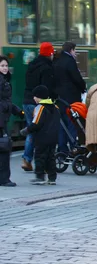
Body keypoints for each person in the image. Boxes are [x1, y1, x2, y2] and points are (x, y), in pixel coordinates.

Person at [22, 42, 56, 172]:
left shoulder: (32, 65)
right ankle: (34, 161)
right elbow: (46, 88)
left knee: (31, 129)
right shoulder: (47, 68)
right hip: (38, 103)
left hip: (27, 101)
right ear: (49, 54)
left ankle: (27, 159)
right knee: (39, 132)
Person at [20, 85, 59, 186]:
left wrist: (26, 130)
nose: (33, 98)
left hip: (42, 138)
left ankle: (40, 177)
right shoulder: (55, 107)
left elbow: (36, 123)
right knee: (51, 157)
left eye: (35, 96)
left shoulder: (40, 108)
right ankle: (52, 178)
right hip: (53, 137)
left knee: (40, 157)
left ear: (39, 97)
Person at [54, 41, 86, 155]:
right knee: (72, 123)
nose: (75, 53)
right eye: (75, 50)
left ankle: (62, 149)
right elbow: (76, 78)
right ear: (71, 50)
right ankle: (74, 148)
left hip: (60, 99)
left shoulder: (57, 60)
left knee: (62, 125)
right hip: (71, 98)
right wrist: (83, 87)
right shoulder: (70, 61)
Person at [0, 56, 23, 187]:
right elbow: (4, 103)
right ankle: (4, 179)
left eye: (6, 66)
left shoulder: (4, 80)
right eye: (2, 66)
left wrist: (17, 110)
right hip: (1, 121)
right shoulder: (2, 81)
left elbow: (6, 102)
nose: (5, 68)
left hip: (3, 118)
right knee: (4, 149)